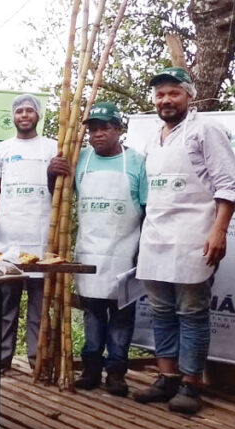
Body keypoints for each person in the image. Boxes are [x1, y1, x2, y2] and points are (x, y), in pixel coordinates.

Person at [132, 68, 235, 414]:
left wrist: (219, 230)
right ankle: (167, 377)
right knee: (161, 312)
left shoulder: (205, 130)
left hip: (195, 235)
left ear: (189, 96)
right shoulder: (152, 138)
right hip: (156, 235)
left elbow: (228, 185)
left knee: (192, 312)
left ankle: (191, 384)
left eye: (173, 94)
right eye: (160, 95)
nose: (165, 100)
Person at [48, 102, 147, 396]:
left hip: (125, 251)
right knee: (92, 313)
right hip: (89, 250)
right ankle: (91, 367)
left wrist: (143, 251)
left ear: (119, 130)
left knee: (121, 315)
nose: (98, 134)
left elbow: (147, 209)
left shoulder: (137, 163)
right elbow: (58, 196)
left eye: (105, 127)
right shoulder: (81, 161)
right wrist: (52, 173)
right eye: (93, 128)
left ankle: (116, 371)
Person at [0, 94, 57, 371]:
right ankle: (1, 360)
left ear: (38, 116)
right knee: (6, 303)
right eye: (19, 111)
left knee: (40, 304)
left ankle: (36, 360)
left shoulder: (52, 147)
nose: (24, 115)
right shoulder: (1, 150)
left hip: (42, 236)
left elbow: (60, 190)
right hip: (8, 235)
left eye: (30, 111)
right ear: (13, 116)